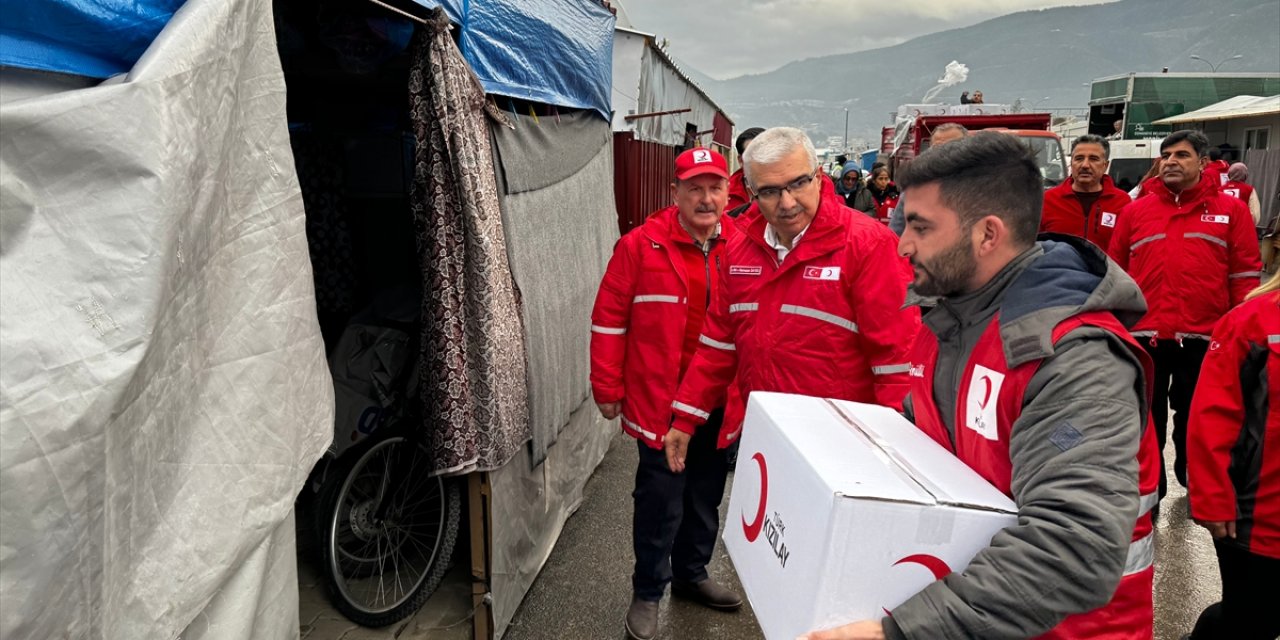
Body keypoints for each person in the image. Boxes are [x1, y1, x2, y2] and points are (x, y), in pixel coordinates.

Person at [800, 131, 1160, 640]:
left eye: (921, 227)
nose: (903, 244)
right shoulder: (951, 318)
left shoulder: (1074, 358)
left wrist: (899, 633)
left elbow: (1074, 545)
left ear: (987, 234)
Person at [664, 126, 919, 474]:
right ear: (750, 191)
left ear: (818, 178)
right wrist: (686, 417)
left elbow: (897, 365)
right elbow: (717, 346)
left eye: (798, 183)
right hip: (766, 438)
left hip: (842, 451)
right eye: (769, 191)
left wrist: (889, 458)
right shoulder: (741, 251)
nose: (787, 203)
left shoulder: (868, 246)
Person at [589, 147, 743, 640]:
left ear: (727, 191)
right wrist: (607, 385)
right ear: (675, 192)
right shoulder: (640, 246)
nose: (705, 198)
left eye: (714, 187)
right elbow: (609, 322)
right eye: (694, 188)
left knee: (705, 495)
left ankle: (692, 574)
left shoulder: (742, 247)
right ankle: (649, 589)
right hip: (660, 400)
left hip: (717, 401)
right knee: (660, 499)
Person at [1108, 129, 1262, 502]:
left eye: (1182, 155)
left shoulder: (1232, 212)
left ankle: (1195, 484)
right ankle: (1152, 490)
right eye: (1166, 155)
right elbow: (1114, 273)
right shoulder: (1135, 212)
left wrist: (1240, 333)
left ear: (1203, 163)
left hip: (1205, 338)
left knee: (1197, 418)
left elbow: (1244, 274)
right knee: (1146, 419)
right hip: (1145, 336)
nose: (1172, 161)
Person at [1184, 271, 1280, 640]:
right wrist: (1211, 498)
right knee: (1251, 618)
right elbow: (1212, 417)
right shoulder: (1251, 321)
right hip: (1259, 517)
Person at [1041, 134, 1133, 249]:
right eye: (1079, 158)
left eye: (1093, 159)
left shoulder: (1122, 202)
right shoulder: (1048, 200)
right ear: (1072, 163)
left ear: (1105, 165)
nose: (1085, 165)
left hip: (1106, 267)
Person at [889, 123, 968, 235]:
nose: (945, 153)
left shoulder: (985, 184)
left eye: (952, 146)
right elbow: (895, 235)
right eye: (938, 148)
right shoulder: (915, 190)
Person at [727, 127, 765, 213]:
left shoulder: (790, 190)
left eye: (765, 153)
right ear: (741, 161)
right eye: (753, 155)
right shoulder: (724, 194)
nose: (761, 160)